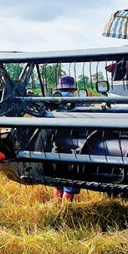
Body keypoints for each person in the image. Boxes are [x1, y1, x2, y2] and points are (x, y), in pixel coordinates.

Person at [52, 75, 81, 203]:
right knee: (70, 181)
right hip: (72, 145)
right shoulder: (76, 101)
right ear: (73, 89)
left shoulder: (51, 100)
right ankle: (66, 212)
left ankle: (57, 207)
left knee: (58, 180)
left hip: (55, 144)